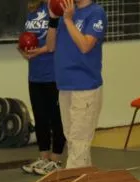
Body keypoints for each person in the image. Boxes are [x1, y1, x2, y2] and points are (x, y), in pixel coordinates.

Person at [46, 0, 106, 169]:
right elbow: (50, 46)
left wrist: (68, 20)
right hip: (65, 85)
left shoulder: (96, 12)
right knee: (73, 142)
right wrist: (53, 20)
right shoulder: (67, 13)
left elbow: (85, 46)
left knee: (79, 142)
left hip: (85, 87)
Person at [19, 0, 66, 176]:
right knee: (40, 118)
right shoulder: (33, 10)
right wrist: (24, 51)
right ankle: (43, 158)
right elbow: (25, 39)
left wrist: (40, 50)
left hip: (53, 74)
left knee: (56, 118)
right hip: (35, 75)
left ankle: (56, 159)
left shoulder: (58, 8)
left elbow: (59, 42)